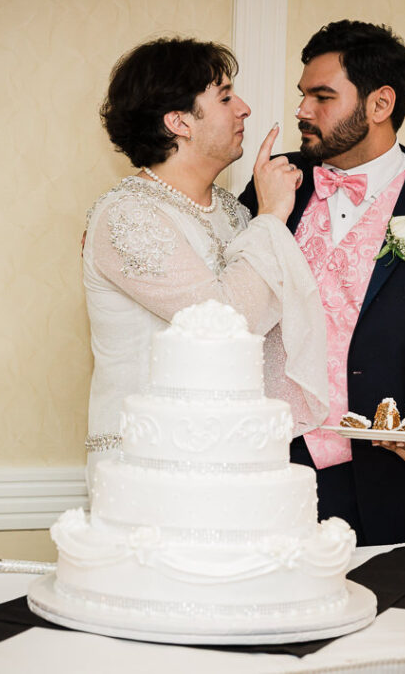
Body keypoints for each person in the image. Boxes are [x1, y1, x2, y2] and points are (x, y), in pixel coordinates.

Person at [239, 20, 405, 546]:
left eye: (322, 96)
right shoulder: (272, 186)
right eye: (302, 96)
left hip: (390, 484)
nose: (302, 111)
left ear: (380, 104)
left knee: (394, 625)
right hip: (263, 473)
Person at [82, 37, 329, 490]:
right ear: (179, 122)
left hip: (230, 456)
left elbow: (267, 333)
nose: (245, 109)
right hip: (148, 466)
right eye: (226, 96)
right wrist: (273, 215)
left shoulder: (234, 214)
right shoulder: (127, 215)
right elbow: (223, 322)